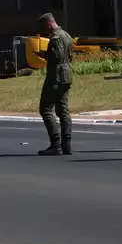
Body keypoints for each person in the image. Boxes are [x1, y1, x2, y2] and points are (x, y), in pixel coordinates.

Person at [35, 12, 74, 156]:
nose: (45, 31)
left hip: (56, 76)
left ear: (49, 23)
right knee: (63, 110)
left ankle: (56, 144)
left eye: (45, 27)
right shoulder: (67, 35)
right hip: (67, 75)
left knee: (45, 109)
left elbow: (56, 56)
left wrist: (44, 55)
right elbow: (70, 55)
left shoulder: (56, 37)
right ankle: (67, 144)